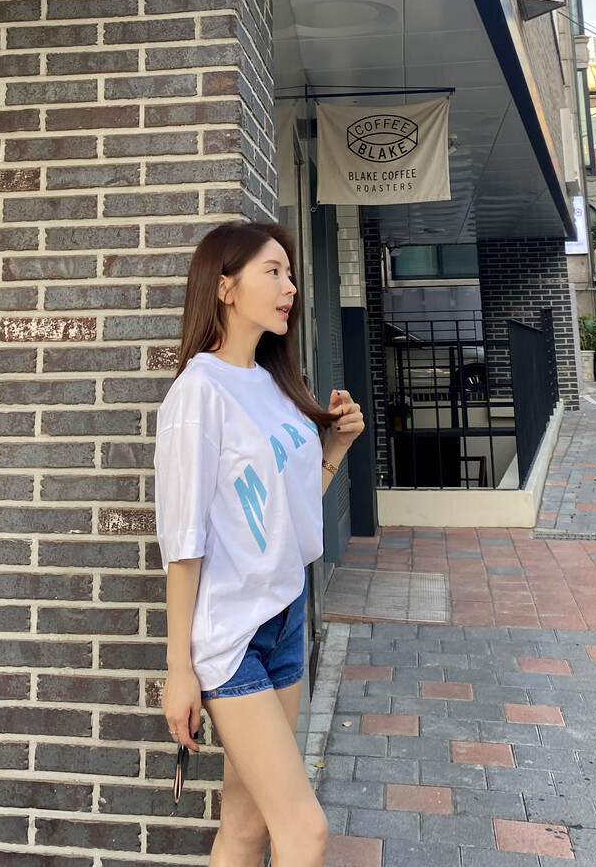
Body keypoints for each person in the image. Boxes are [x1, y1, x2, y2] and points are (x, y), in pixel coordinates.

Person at [154, 220, 365, 867]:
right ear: (224, 287)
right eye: (272, 272)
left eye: (290, 273)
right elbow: (183, 543)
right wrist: (180, 669)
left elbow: (285, 514)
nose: (290, 287)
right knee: (306, 831)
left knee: (247, 826)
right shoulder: (198, 393)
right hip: (230, 636)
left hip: (284, 619)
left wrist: (334, 450)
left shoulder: (274, 385)